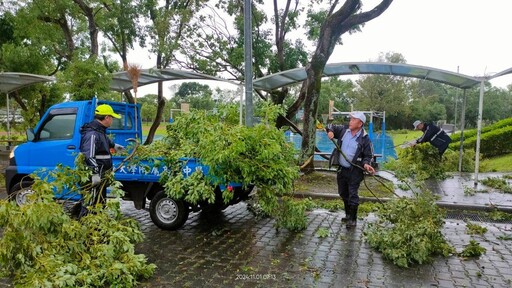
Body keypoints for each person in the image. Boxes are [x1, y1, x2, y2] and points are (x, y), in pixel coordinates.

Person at [326, 112, 376, 229]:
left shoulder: (365, 139)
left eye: (354, 120)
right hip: (342, 170)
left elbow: (368, 156)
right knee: (343, 192)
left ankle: (353, 219)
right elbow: (330, 126)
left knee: (353, 194)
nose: (351, 121)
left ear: (360, 124)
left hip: (355, 171)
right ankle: (348, 214)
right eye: (351, 119)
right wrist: (330, 131)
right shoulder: (344, 131)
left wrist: (367, 165)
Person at [78, 104, 124, 216]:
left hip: (101, 177)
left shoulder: (99, 131)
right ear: (107, 117)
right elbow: (88, 156)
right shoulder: (92, 134)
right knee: (90, 204)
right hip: (94, 179)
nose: (112, 120)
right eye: (112, 117)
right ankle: (86, 228)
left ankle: (97, 228)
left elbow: (104, 141)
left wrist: (114, 145)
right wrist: (95, 174)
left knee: (99, 204)